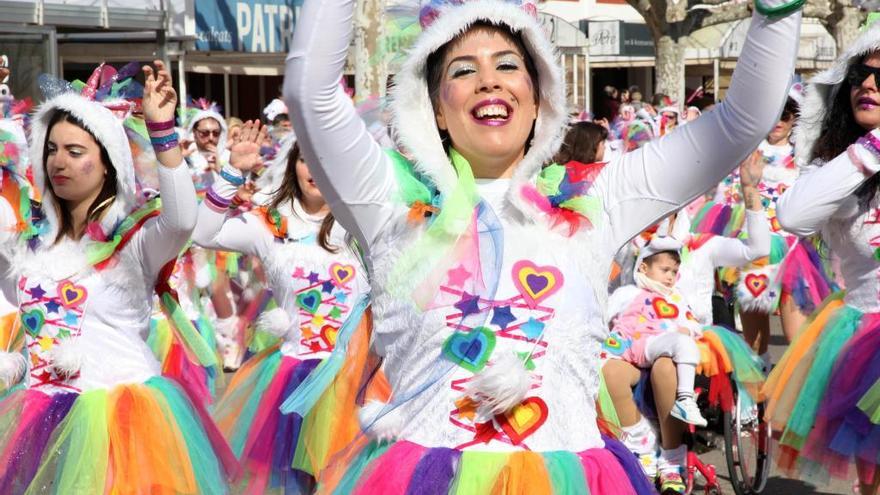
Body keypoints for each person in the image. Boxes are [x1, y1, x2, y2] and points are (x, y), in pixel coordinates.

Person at [284, 0, 802, 492]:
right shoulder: (387, 205)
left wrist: (778, 13)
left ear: (539, 97)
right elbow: (310, 94)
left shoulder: (595, 200)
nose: (488, 79)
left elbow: (741, 122)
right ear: (436, 111)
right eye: (462, 71)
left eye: (508, 65)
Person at [0, 61, 235, 492]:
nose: (59, 162)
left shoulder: (134, 241)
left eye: (75, 152)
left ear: (108, 164)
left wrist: (163, 131)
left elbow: (183, 219)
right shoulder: (27, 247)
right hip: (38, 419)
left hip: (120, 424)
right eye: (51, 149)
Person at [762, 23, 880, 495]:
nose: (869, 85)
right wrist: (870, 150)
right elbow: (792, 216)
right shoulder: (835, 165)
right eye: (861, 74)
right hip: (867, 341)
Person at [710, 94, 835, 368]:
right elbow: (725, 205)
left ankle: (796, 402)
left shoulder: (807, 155)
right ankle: (754, 402)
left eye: (786, 114)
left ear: (796, 117)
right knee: (754, 340)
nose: (778, 121)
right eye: (773, 114)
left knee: (799, 338)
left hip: (796, 251)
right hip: (754, 249)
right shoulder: (744, 152)